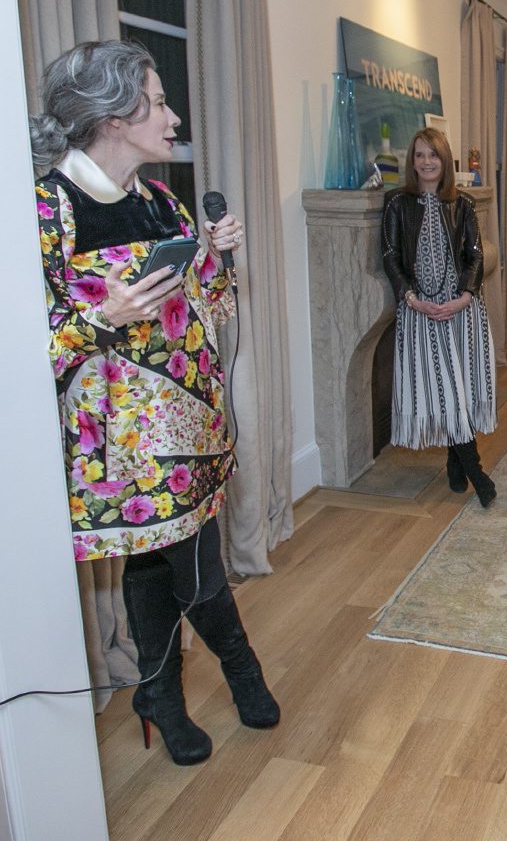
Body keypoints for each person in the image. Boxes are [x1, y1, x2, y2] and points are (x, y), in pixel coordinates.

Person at [32, 40, 278, 765]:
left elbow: (207, 308)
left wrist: (215, 256)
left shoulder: (160, 200)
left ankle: (158, 696)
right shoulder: (47, 210)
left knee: (155, 563)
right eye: (160, 103)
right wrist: (104, 317)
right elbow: (31, 354)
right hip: (122, 442)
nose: (173, 119)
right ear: (113, 116)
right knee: (191, 564)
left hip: (192, 421)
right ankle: (232, 675)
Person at [381, 128, 498, 506]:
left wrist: (464, 297)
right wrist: (411, 299)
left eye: (433, 154)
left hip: (461, 310)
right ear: (412, 161)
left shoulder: (462, 204)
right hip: (421, 313)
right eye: (420, 155)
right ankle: (476, 472)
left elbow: (475, 255)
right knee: (446, 390)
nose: (427, 162)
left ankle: (455, 461)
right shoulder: (397, 203)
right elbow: (390, 257)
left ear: (445, 160)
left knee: (460, 388)